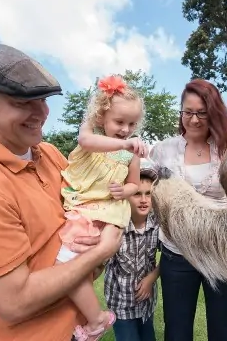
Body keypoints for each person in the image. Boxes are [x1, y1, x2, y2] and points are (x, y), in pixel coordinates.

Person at [0, 44, 123, 341]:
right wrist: (101, 251)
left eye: (42, 99)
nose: (40, 112)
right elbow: (15, 302)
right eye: (21, 101)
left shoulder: (48, 154)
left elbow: (87, 209)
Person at [149, 79, 227, 341]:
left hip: (220, 252)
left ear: (213, 113)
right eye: (187, 112)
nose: (193, 120)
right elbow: (145, 189)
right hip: (176, 253)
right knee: (177, 330)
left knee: (225, 330)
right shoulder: (162, 150)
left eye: (202, 113)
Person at [56, 74, 147, 341]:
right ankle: (90, 317)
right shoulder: (92, 139)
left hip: (102, 213)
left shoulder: (129, 155)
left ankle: (96, 320)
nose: (125, 129)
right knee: (76, 267)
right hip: (82, 206)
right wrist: (124, 143)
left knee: (65, 264)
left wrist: (125, 190)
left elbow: (133, 185)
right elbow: (86, 140)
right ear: (101, 118)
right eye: (119, 122)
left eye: (131, 124)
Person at [103, 159, 160, 341]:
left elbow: (169, 256)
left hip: (146, 304)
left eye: (148, 194)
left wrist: (151, 278)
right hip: (121, 305)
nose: (144, 200)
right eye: (137, 194)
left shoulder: (157, 226)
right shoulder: (115, 227)